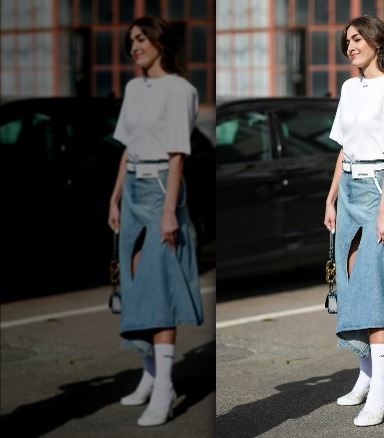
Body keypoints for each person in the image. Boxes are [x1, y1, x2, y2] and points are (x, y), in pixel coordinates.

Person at [323, 15, 384, 427]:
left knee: (375, 284)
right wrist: (330, 198)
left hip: (378, 187)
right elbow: (344, 147)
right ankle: (365, 375)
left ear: (378, 42)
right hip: (348, 189)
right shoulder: (349, 86)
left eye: (357, 39)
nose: (350, 46)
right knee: (351, 281)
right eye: (347, 41)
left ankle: (380, 388)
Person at [107, 15, 203, 427]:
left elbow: (178, 152)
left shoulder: (180, 89)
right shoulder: (133, 87)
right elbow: (127, 148)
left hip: (163, 188)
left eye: (141, 39)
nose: (134, 47)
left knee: (159, 283)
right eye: (130, 41)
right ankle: (149, 374)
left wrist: (168, 212)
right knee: (133, 280)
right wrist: (114, 199)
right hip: (132, 189)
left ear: (160, 43)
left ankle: (164, 386)